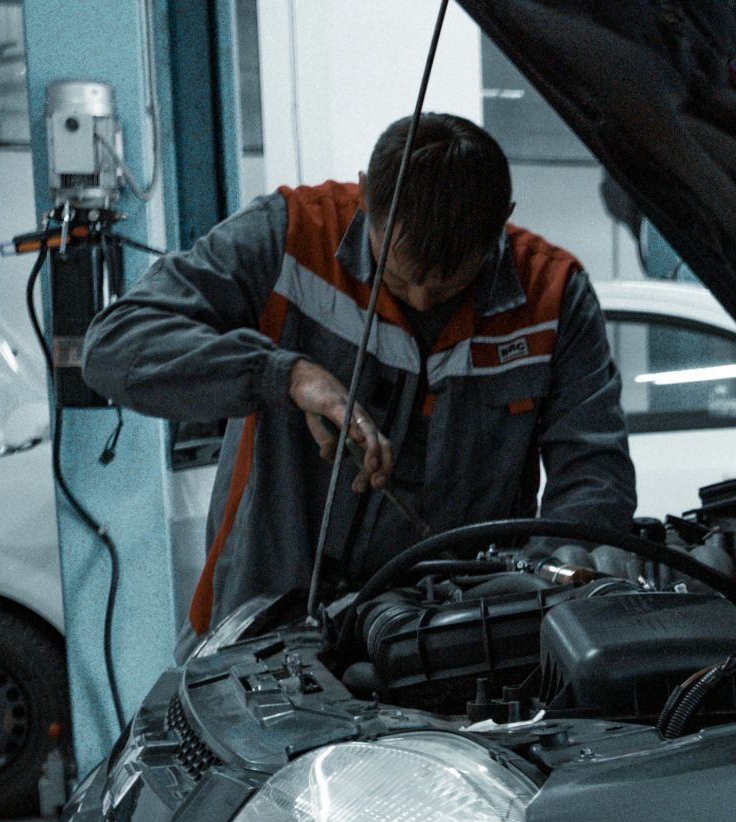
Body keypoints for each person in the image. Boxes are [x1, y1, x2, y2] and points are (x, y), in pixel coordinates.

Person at [84, 113, 636, 634]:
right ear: (366, 193)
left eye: (447, 284)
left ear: (503, 218)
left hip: (457, 640)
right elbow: (115, 345)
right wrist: (285, 375)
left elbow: (592, 473)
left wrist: (546, 579)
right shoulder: (292, 237)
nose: (421, 299)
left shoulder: (553, 297)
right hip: (261, 629)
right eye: (403, 275)